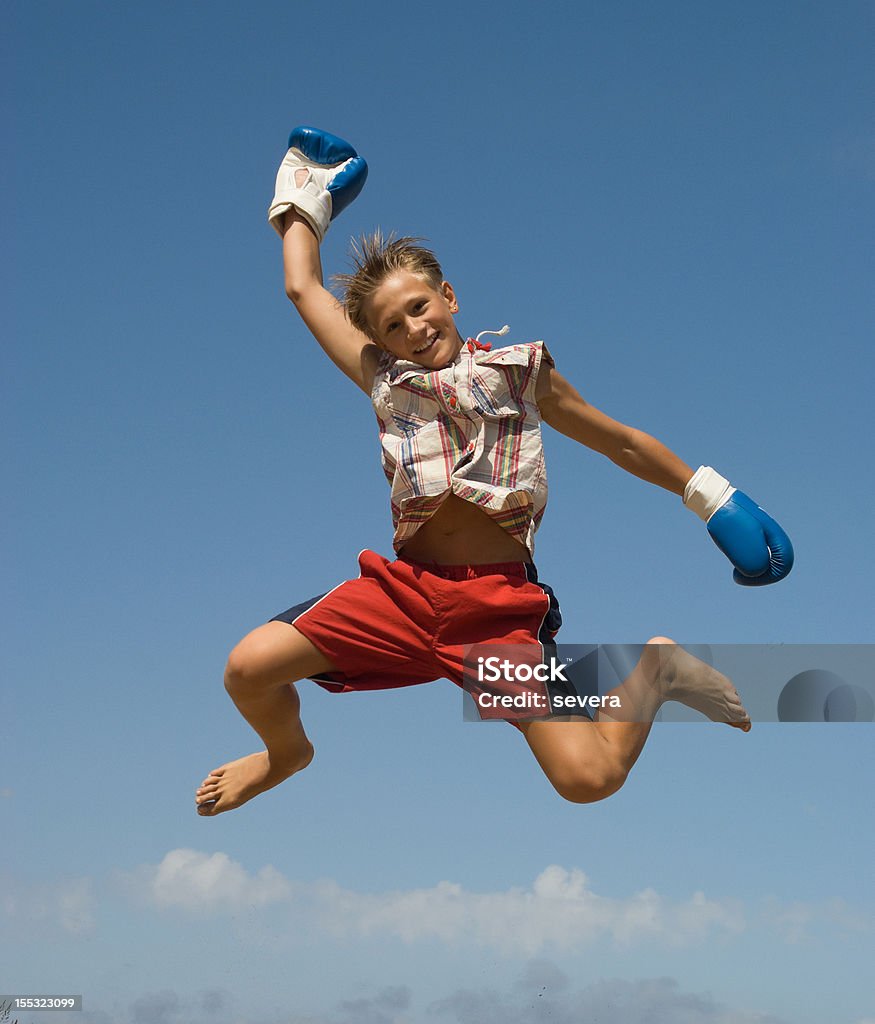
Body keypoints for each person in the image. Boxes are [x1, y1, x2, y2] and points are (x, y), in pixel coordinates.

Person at [195, 127, 793, 816]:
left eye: (418, 308)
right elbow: (303, 288)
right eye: (391, 326)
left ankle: (656, 670)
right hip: (403, 596)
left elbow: (619, 441)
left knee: (587, 781)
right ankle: (287, 754)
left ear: (447, 295)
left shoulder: (518, 375)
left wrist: (711, 498)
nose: (413, 330)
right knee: (247, 668)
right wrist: (301, 200)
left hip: (492, 617)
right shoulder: (386, 382)